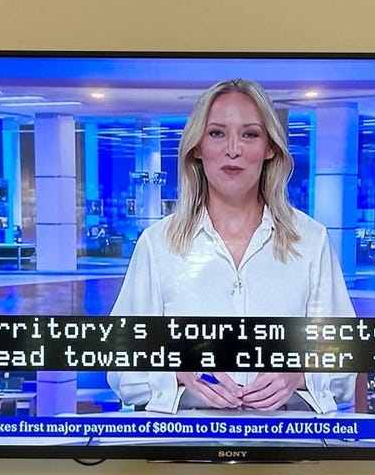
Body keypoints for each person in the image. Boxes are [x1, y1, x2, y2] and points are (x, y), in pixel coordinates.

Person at [108, 78, 354, 414]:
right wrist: (180, 372)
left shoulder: (311, 241)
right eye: (217, 133)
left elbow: (344, 357)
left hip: (286, 440)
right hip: (184, 441)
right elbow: (121, 363)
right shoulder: (157, 244)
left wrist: (298, 375)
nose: (233, 149)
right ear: (197, 147)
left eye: (249, 134)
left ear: (269, 148)